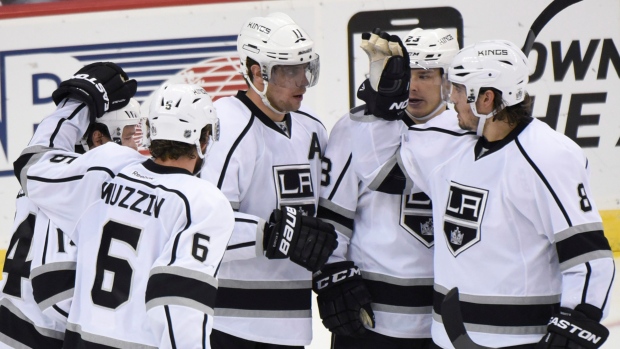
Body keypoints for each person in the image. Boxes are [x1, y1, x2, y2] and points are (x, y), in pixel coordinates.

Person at [350, 38, 615, 349]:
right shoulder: (452, 147)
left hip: (519, 343)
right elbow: (380, 173)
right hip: (448, 339)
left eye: (460, 90)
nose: (452, 100)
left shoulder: (548, 155)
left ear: (487, 98)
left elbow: (588, 256)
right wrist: (384, 102)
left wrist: (578, 320)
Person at [14, 62, 237, 348]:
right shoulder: (203, 202)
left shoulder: (105, 167)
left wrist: (78, 104)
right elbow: (178, 306)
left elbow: (32, 165)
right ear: (204, 139)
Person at [313, 28, 461, 349]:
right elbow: (332, 218)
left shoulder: (468, 135)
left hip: (446, 323)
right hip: (371, 319)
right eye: (409, 75)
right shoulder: (356, 128)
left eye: (425, 75)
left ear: (447, 80)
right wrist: (334, 280)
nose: (414, 87)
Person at [200, 12, 338, 349]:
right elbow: (204, 228)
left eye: (305, 68)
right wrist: (273, 235)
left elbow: (323, 222)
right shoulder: (226, 125)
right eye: (289, 71)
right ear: (256, 71)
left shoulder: (312, 127)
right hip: (231, 326)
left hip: (293, 325)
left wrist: (334, 274)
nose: (303, 81)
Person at [0, 97, 142, 349]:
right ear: (99, 139)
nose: (137, 147)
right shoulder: (77, 191)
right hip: (33, 338)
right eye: (129, 135)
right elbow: (53, 291)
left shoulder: (52, 179)